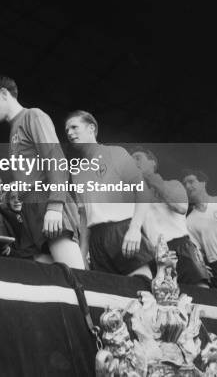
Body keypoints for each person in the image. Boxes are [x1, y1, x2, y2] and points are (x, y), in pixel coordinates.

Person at [0, 76, 84, 268]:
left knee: (76, 277)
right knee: (44, 281)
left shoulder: (33, 116)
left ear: (4, 94)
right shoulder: (14, 130)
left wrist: (55, 206)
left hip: (47, 202)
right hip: (29, 212)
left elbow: (56, 159)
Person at [65, 111, 153, 278]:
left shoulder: (116, 153)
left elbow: (143, 193)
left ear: (91, 128)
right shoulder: (76, 173)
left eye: (74, 127)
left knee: (142, 289)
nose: (69, 133)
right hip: (96, 241)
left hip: (122, 229)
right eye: (67, 130)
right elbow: (84, 217)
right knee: (110, 296)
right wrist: (82, 254)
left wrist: (134, 229)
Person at [131, 147, 208, 286]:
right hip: (156, 253)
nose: (133, 162)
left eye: (138, 158)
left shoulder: (173, 184)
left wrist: (151, 179)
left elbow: (181, 207)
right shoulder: (135, 196)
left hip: (181, 247)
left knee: (201, 293)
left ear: (152, 162)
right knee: (165, 301)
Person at [182, 169, 217, 290]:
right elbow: (197, 251)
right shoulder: (189, 221)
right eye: (185, 184)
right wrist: (201, 266)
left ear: (203, 183)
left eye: (191, 181)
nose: (188, 186)